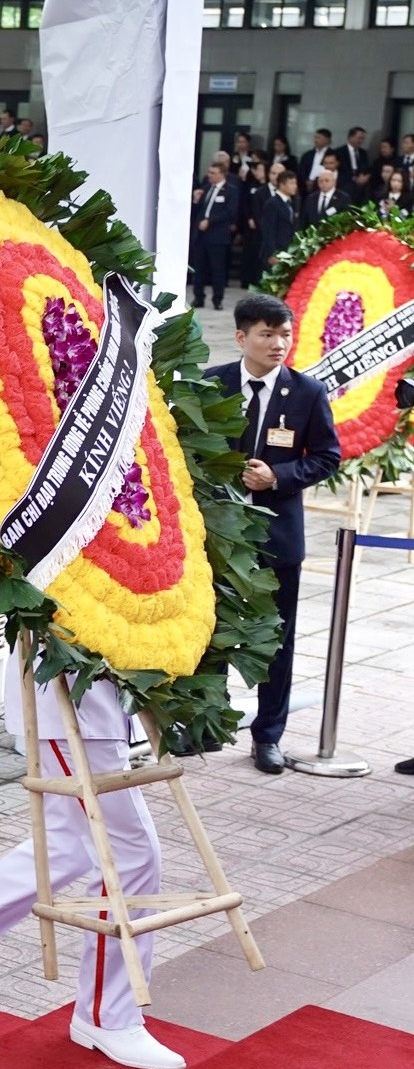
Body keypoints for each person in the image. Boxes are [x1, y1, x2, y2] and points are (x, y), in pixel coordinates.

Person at [0, 663, 186, 1069]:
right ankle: (107, 1015)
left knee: (69, 844)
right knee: (130, 854)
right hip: (74, 695)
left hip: (94, 698)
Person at [208, 294, 339, 774]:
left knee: (276, 638)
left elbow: (327, 456)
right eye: (266, 334)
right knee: (212, 630)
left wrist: (278, 477)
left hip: (277, 535)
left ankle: (268, 736)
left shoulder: (307, 392)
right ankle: (207, 722)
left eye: (285, 334)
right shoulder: (210, 383)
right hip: (220, 534)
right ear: (242, 337)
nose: (278, 344)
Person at [191, 163, 237, 309]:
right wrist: (196, 200)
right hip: (202, 236)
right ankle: (198, 297)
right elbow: (197, 211)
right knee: (199, 267)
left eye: (213, 172)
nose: (209, 175)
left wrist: (210, 221)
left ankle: (218, 299)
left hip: (218, 236)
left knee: (217, 269)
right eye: (209, 172)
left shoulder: (230, 191)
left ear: (222, 174)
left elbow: (230, 212)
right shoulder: (206, 189)